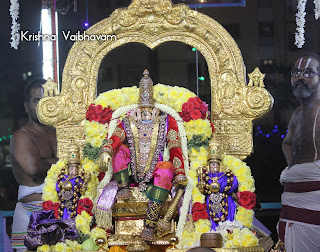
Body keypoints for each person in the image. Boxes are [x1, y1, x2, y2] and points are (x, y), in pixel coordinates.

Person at [98, 70, 187, 241]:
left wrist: (180, 171)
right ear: (138, 110)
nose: (146, 115)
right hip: (132, 173)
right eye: (143, 112)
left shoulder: (166, 121)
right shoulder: (128, 121)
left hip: (156, 174)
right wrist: (106, 150)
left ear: (155, 109)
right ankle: (123, 188)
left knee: (167, 167)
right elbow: (116, 138)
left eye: (149, 112)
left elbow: (175, 146)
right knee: (119, 151)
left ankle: (150, 224)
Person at [9, 79, 57, 251]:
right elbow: (34, 168)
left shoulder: (61, 132)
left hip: (64, 212)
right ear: (26, 106)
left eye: (46, 100)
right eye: (36, 100)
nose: (42, 105)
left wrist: (47, 161)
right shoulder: (21, 136)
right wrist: (63, 161)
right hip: (33, 212)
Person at [279, 54, 320, 251]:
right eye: (296, 73)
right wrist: (293, 168)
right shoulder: (297, 113)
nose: (300, 77)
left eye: (308, 73)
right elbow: (287, 143)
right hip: (293, 193)